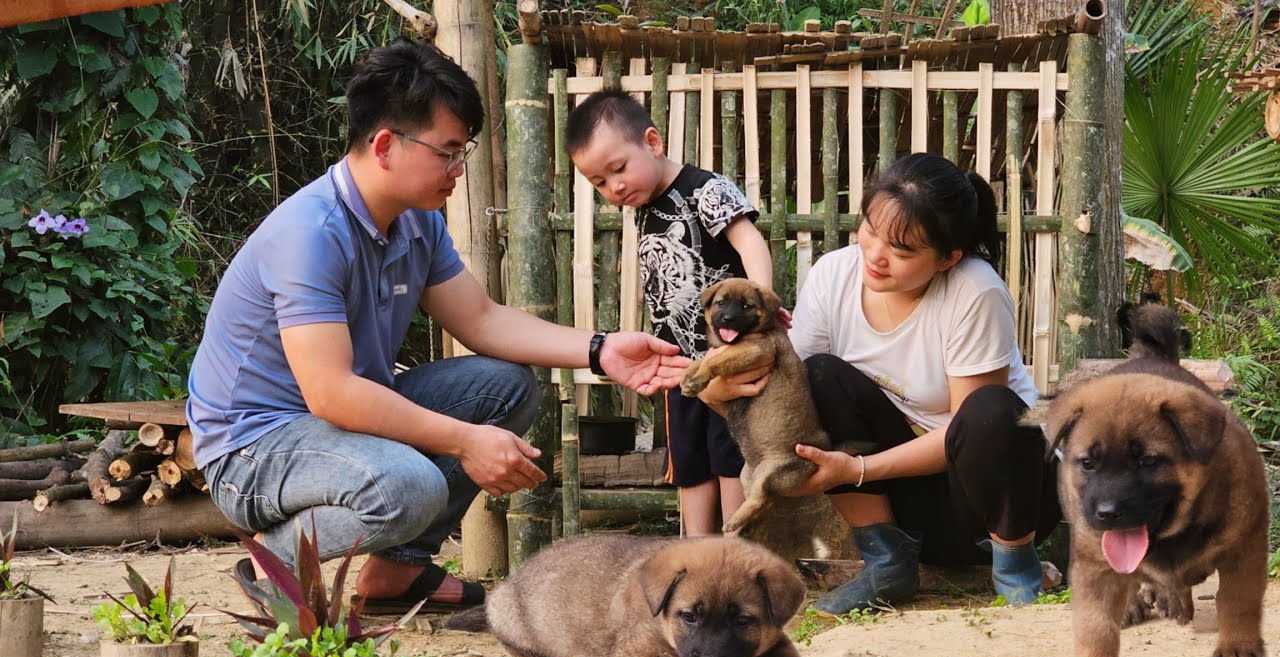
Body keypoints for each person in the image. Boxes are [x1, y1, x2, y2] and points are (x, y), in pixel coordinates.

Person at [186, 39, 689, 614]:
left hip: (336, 425)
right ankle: (269, 561)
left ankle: (394, 577)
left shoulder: (415, 222)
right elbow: (331, 393)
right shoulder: (310, 235)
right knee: (409, 487)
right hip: (255, 449)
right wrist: (466, 441)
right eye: (448, 152)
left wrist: (600, 350)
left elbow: (480, 319)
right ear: (384, 146)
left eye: (463, 152)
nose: (458, 170)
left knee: (507, 386)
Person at [699, 152, 1060, 611]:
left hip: (993, 502)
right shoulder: (835, 275)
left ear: (948, 257)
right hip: (907, 509)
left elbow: (969, 428)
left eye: (902, 250)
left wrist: (858, 470)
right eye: (869, 229)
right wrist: (717, 393)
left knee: (991, 407)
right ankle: (886, 560)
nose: (875, 255)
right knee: (817, 374)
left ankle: (1015, 567)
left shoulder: (977, 291)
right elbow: (786, 397)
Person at [565, 90, 778, 537]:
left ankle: (732, 548)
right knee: (686, 458)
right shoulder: (642, 206)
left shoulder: (707, 189)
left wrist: (763, 300)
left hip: (727, 357)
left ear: (653, 141)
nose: (614, 188)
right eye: (600, 183)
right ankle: (695, 549)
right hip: (678, 362)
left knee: (728, 450)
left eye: (619, 169)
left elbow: (749, 242)